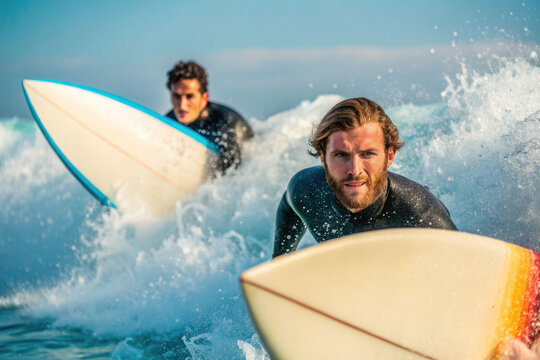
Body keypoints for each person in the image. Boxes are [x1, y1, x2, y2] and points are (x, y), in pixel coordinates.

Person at [273, 97, 457, 258]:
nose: (355, 170)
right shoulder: (306, 189)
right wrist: (281, 260)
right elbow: (288, 207)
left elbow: (464, 264)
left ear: (389, 157)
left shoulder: (419, 212)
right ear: (323, 158)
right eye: (341, 155)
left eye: (368, 154)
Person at [165, 60, 254, 173]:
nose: (182, 105)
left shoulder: (226, 124)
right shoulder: (170, 119)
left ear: (204, 98)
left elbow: (235, 175)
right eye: (177, 96)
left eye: (189, 96)